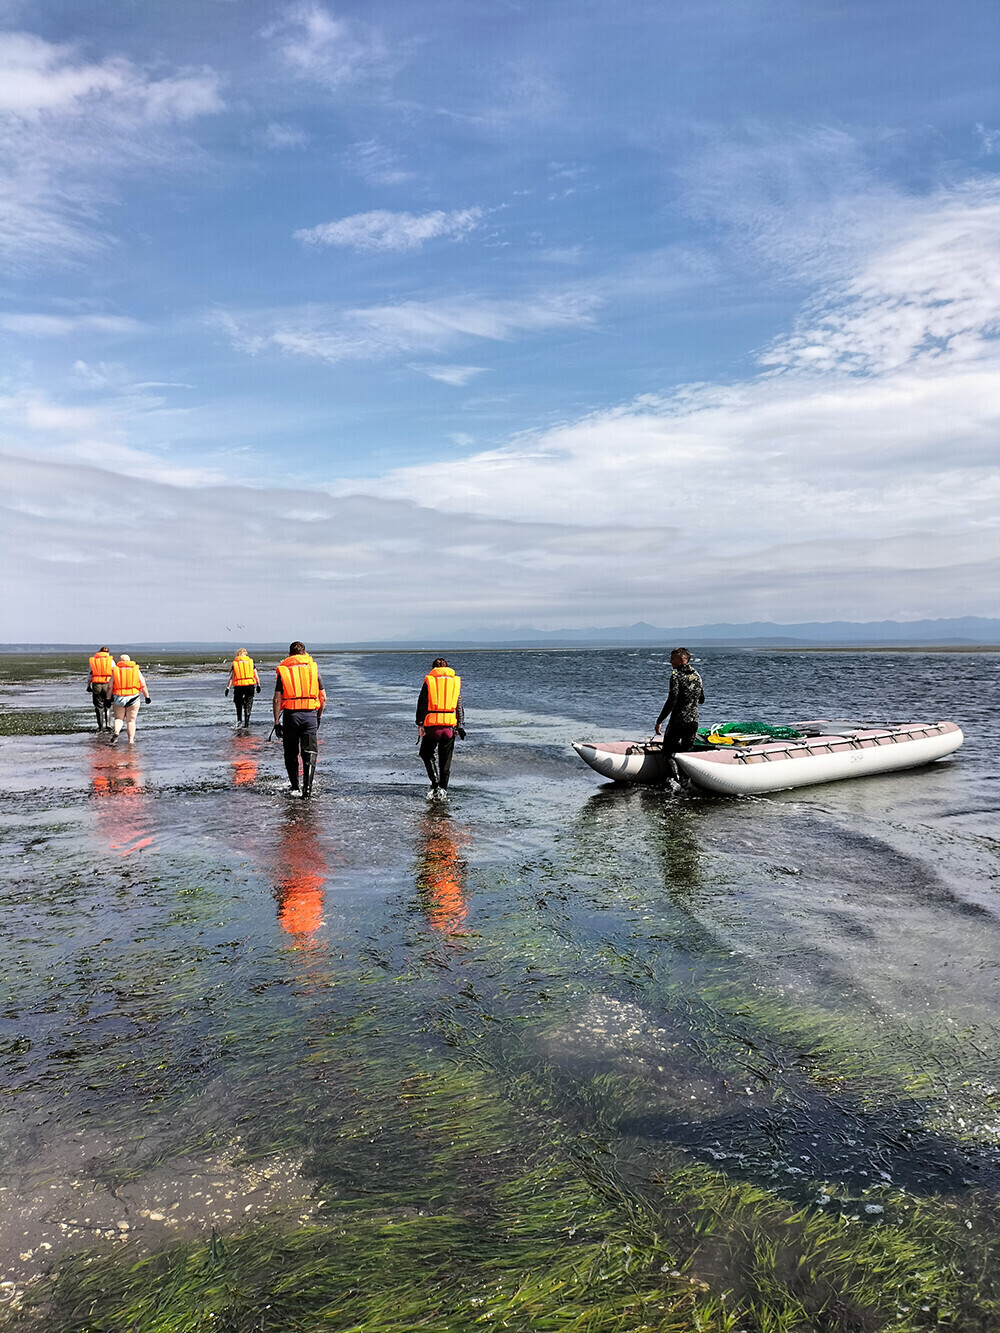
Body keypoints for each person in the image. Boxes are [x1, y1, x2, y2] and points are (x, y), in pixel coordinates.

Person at [273, 642, 326, 798]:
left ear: (289, 655)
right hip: (310, 716)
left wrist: (276, 722)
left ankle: (295, 787)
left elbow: (277, 700)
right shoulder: (313, 670)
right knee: (309, 754)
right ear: (305, 653)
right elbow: (323, 698)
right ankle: (307, 792)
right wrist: (318, 717)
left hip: (291, 717)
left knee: (290, 753)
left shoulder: (284, 671)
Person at [653, 647, 704, 784]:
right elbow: (702, 699)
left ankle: (676, 784)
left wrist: (659, 721)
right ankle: (688, 783)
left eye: (673, 658)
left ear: (682, 659)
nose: (670, 661)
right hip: (693, 722)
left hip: (678, 721)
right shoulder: (697, 675)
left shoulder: (676, 676)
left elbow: (672, 700)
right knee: (686, 754)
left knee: (668, 753)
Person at [416, 658, 465, 799]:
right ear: (448, 667)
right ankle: (443, 792)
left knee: (425, 754)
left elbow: (422, 704)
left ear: (433, 668)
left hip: (433, 728)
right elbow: (459, 706)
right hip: (449, 728)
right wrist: (460, 726)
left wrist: (420, 724)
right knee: (445, 763)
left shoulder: (429, 681)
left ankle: (435, 782)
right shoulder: (455, 683)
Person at [110, 654, 151, 746]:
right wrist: (147, 697)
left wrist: (108, 698)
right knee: (131, 721)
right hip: (133, 698)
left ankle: (116, 732)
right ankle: (131, 740)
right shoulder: (136, 670)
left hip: (119, 698)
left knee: (119, 718)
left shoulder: (115, 670)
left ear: (120, 661)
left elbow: (110, 686)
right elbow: (143, 684)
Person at [226, 649, 260, 726]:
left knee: (238, 704)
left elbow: (232, 677)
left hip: (239, 686)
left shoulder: (235, 663)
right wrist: (258, 685)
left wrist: (228, 687)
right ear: (246, 654)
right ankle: (247, 723)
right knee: (248, 704)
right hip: (249, 686)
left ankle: (239, 721)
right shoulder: (251, 662)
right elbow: (256, 676)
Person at [86, 646, 115, 731]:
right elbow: (114, 673)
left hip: (96, 684)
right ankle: (108, 724)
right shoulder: (111, 661)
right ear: (108, 652)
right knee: (109, 704)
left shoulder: (93, 661)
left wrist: (88, 685)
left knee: (99, 706)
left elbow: (90, 675)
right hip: (108, 684)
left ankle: (100, 727)